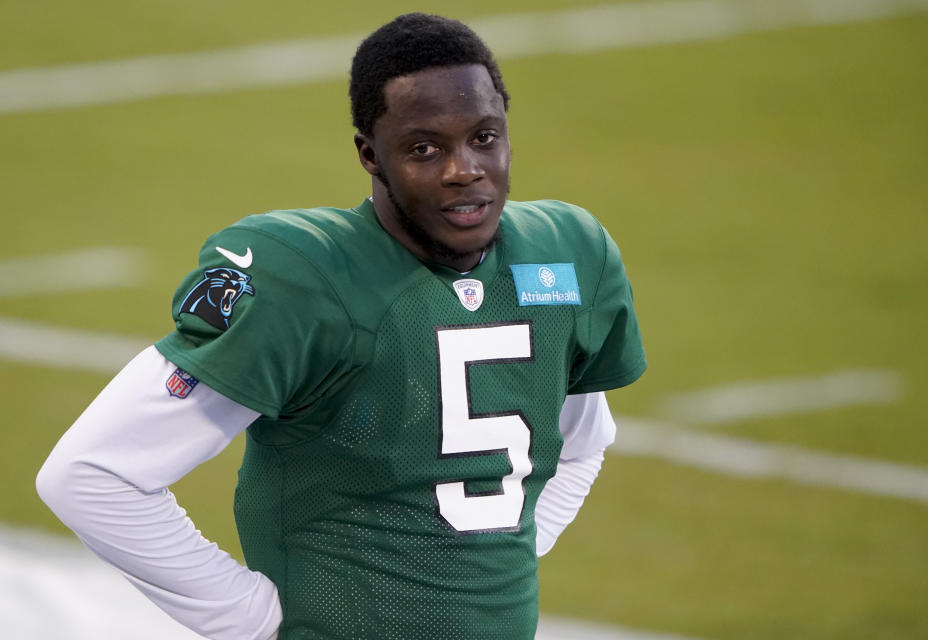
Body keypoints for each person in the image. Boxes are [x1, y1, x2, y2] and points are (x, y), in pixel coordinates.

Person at [36, 12, 646, 640]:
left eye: (485, 137)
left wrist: (496, 557)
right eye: (425, 148)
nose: (464, 169)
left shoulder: (565, 254)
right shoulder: (303, 276)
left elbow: (583, 443)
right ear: (369, 154)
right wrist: (254, 620)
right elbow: (90, 476)